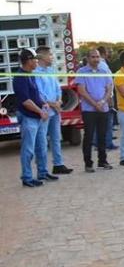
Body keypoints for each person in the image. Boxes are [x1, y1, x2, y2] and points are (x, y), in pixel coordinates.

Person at [13, 48, 57, 186]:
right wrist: (40, 111)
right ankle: (26, 177)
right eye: (35, 59)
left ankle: (42, 173)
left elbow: (35, 95)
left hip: (37, 116)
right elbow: (26, 101)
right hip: (28, 117)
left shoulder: (31, 74)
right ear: (28, 61)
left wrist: (43, 104)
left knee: (42, 146)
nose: (37, 61)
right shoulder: (20, 78)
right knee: (28, 149)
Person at [34, 46, 73, 174]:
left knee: (56, 138)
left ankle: (58, 164)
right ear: (41, 57)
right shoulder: (35, 73)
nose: (52, 57)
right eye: (49, 55)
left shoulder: (51, 70)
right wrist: (52, 104)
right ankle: (43, 169)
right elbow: (39, 94)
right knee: (42, 141)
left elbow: (58, 88)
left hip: (55, 110)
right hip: (44, 111)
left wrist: (59, 101)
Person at [75, 49, 114, 172]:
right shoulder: (81, 72)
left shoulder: (104, 71)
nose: (96, 59)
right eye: (93, 57)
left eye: (97, 57)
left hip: (103, 108)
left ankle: (102, 161)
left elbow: (109, 89)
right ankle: (88, 163)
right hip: (89, 110)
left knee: (102, 136)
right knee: (89, 136)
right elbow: (81, 91)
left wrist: (102, 102)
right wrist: (94, 104)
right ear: (87, 58)